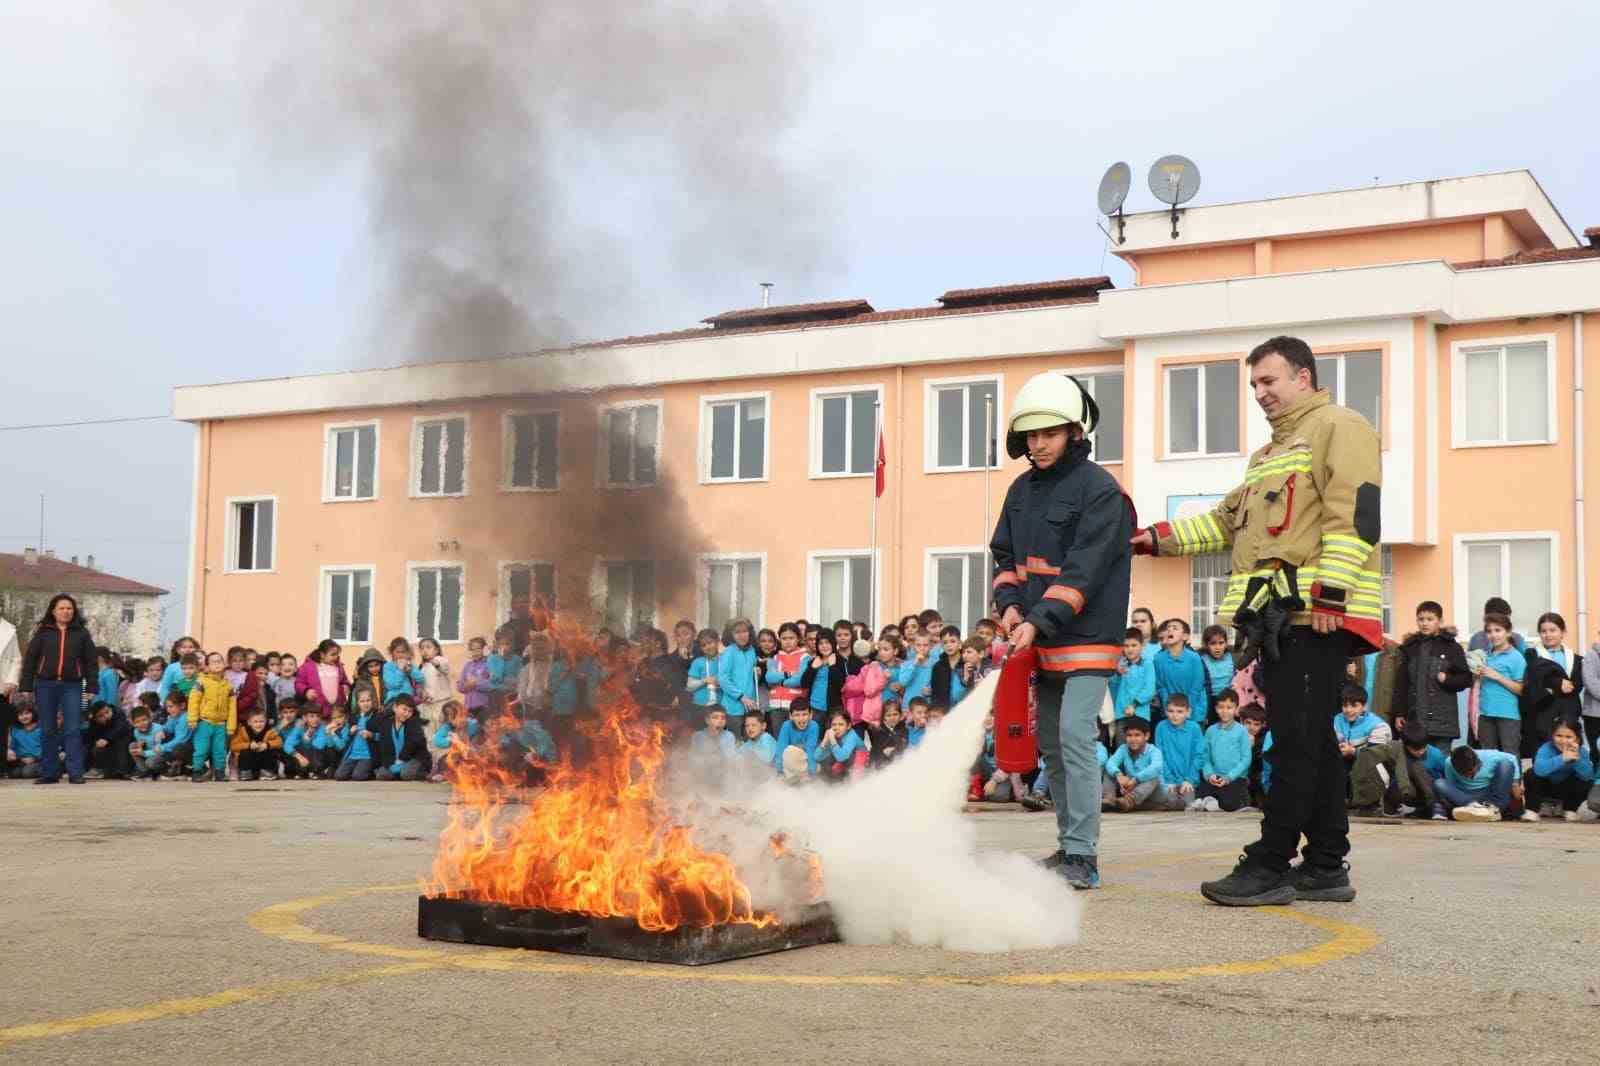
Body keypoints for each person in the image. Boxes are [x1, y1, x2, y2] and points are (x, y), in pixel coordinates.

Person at [1135, 335, 1384, 906]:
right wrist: (1153, 539)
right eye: (1253, 385)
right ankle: (1324, 866)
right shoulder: (1267, 457)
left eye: (1269, 381)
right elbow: (1225, 525)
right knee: (1312, 742)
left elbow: (1356, 512)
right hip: (1279, 619)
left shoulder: (1340, 426)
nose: (1259, 394)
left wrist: (1331, 597)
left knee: (1294, 744)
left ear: (1304, 377)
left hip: (1314, 615)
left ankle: (1271, 863)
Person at [991, 371, 1134, 891]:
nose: (1038, 444)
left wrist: (1035, 620)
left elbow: (1084, 570)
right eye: (1030, 435)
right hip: (1039, 634)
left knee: (1075, 735)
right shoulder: (1020, 490)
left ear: (1075, 430)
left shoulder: (1101, 491)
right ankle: (1067, 845)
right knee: (1051, 742)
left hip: (1088, 635)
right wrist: (1008, 606)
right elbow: (1005, 557)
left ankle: (1084, 856)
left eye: (1048, 433)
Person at [18, 593, 100, 785]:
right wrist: (26, 686)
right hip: (45, 685)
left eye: (69, 608)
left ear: (74, 611)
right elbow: (30, 659)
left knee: (73, 729)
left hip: (72, 685)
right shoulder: (43, 632)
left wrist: (92, 685)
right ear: (53, 611)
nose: (66, 611)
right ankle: (49, 773)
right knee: (48, 729)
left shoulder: (82, 633)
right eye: (62, 608)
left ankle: (75, 773)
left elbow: (91, 662)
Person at [1393, 601, 1472, 753]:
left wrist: (1448, 679)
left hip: (1442, 721)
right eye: (1421, 619)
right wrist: (1399, 713)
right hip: (1414, 719)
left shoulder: (1451, 647)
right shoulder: (1410, 648)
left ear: (1440, 621)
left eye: (1430, 619)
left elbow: (1466, 678)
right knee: (1414, 765)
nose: (1425, 623)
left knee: (1440, 764)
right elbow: (1401, 684)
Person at [1348, 720, 1444, 818]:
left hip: (1367, 783)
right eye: (1416, 749)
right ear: (1406, 745)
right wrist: (1407, 794)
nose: (1420, 752)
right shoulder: (1399, 749)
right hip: (1372, 779)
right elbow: (1401, 773)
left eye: (1423, 748)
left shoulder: (1435, 754)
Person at [1524, 613, 1581, 752]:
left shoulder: (1576, 658)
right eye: (1543, 631)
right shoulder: (1531, 654)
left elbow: (1577, 683)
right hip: (1542, 711)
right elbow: (1533, 679)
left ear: (1562, 632)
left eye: (1552, 630)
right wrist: (1557, 685)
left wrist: (1566, 686)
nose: (1548, 635)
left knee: (1568, 752)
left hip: (1568, 711)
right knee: (1542, 751)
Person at [1473, 612, 1525, 755]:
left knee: (1510, 756)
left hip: (1508, 715)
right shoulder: (1485, 655)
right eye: (1489, 631)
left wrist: (1497, 676)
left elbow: (1521, 690)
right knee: (1488, 756)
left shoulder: (1516, 657)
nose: (1493, 635)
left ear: (1508, 632)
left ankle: (1514, 779)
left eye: (1498, 630)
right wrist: (1476, 676)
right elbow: (1479, 684)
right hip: (1485, 714)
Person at [1435, 745, 1528, 823]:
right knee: (1439, 783)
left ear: (1478, 762)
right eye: (1465, 775)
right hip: (1465, 796)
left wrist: (1515, 784)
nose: (1469, 777)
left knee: (1506, 765)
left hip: (1489, 795)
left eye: (1472, 773)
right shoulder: (1448, 763)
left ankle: (1493, 809)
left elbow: (1512, 758)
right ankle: (1473, 806)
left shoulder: (1491, 756)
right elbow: (1452, 786)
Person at [1195, 689, 1252, 812]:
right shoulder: (1210, 731)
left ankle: (1240, 801)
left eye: (1229, 707)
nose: (1225, 711)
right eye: (1221, 707)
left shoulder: (1241, 731)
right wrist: (1210, 775)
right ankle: (1211, 801)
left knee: (1229, 803)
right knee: (1200, 794)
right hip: (1216, 777)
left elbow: (1246, 759)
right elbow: (1206, 757)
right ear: (1216, 708)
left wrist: (1229, 777)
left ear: (1236, 709)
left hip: (1235, 778)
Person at [1527, 720, 1593, 820]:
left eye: (1568, 737)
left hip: (1566, 790)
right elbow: (1539, 770)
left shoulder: (1582, 751)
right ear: (1552, 736)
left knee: (1583, 780)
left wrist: (1576, 759)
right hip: (1547, 787)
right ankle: (1532, 809)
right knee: (1530, 774)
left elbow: (1588, 776)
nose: (1563, 740)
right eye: (1559, 736)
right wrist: (1562, 758)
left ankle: (1570, 809)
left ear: (1577, 739)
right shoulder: (1546, 748)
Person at [187, 651, 238, 782]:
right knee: (201, 750)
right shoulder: (201, 682)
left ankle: (220, 772)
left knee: (220, 750)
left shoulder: (228, 685)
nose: (217, 664)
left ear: (224, 664)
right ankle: (197, 771)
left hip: (221, 724)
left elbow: (232, 707)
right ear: (207, 666)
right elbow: (193, 701)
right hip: (204, 722)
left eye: (219, 661)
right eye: (213, 662)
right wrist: (192, 719)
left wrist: (231, 726)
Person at [1333, 684, 1391, 790]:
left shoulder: (1378, 726)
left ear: (1364, 706)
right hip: (1344, 763)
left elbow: (1376, 756)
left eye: (1354, 705)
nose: (1348, 710)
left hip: (1370, 766)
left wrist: (1353, 752)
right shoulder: (1337, 719)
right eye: (1345, 705)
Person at [1101, 719, 1167, 812]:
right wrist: (1118, 775)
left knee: (1154, 776)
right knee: (1110, 771)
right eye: (1129, 735)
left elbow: (1156, 768)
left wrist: (1135, 780)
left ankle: (1129, 801)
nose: (1133, 739)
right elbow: (1111, 762)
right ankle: (1109, 799)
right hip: (1133, 791)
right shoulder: (1123, 748)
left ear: (1146, 736)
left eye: (1137, 735)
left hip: (1155, 794)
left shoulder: (1154, 751)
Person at [1152, 619, 1209, 726]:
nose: (1169, 630)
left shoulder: (1194, 658)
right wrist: (1168, 707)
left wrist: (1186, 709)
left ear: (1185, 637)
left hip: (1193, 713)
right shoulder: (1158, 659)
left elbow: (1197, 687)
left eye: (1175, 628)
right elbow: (1160, 687)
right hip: (1171, 713)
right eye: (1168, 628)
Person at [1154, 693, 1204, 808]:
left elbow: (1199, 756)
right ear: (1165, 711)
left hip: (1188, 780)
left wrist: (1189, 779)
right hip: (1168, 780)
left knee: (1187, 803)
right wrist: (1169, 780)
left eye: (1180, 711)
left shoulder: (1194, 728)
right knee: (1171, 803)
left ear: (1188, 712)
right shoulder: (1161, 727)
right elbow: (1160, 756)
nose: (1174, 715)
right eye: (1171, 711)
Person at [1109, 627, 1156, 741]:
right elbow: (1112, 689)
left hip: (1140, 714)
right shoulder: (1120, 665)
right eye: (1126, 646)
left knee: (1139, 750)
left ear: (1142, 645)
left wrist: (1134, 704)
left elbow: (1149, 689)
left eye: (1134, 645)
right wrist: (1118, 674)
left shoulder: (1147, 664)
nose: (1130, 649)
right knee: (1121, 748)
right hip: (1121, 714)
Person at [716, 619, 759, 737]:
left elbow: (749, 675)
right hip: (733, 707)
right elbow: (723, 679)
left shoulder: (752, 651)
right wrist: (741, 697)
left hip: (750, 706)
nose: (742, 635)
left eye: (745, 631)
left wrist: (757, 671)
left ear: (750, 633)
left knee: (748, 741)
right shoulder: (729, 652)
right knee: (734, 742)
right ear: (731, 635)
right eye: (737, 632)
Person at [374, 695, 431, 781]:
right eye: (404, 709)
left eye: (410, 711)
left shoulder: (413, 723)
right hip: (396, 760)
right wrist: (389, 763)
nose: (407, 713)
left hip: (413, 758)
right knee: (381, 774)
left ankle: (423, 773)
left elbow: (412, 744)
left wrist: (401, 759)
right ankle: (399, 773)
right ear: (395, 708)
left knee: (406, 774)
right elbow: (384, 746)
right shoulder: (387, 724)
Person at [335, 685, 381, 781]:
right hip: (353, 755)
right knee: (339, 776)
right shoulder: (353, 718)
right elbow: (346, 738)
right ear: (357, 703)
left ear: (373, 701)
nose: (365, 704)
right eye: (362, 701)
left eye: (368, 700)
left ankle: (372, 771)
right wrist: (350, 732)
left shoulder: (377, 717)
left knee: (358, 776)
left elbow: (383, 737)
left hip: (367, 755)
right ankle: (357, 769)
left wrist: (371, 735)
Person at [230, 708, 284, 781]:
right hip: (250, 762)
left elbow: (279, 742)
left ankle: (266, 771)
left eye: (261, 721)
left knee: (271, 750)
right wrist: (248, 745)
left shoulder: (269, 731)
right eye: (255, 722)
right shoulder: (243, 731)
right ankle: (246, 772)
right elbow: (233, 746)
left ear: (265, 722)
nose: (259, 724)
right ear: (249, 722)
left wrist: (267, 744)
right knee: (245, 752)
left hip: (263, 761)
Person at [815, 709, 867, 782]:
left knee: (855, 777)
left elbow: (842, 757)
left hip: (861, 759)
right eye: (834, 725)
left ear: (848, 726)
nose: (837, 728)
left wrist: (832, 740)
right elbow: (817, 757)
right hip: (846, 759)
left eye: (841, 724)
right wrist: (824, 741)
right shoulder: (833, 736)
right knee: (833, 770)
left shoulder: (852, 735)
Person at [773, 700, 820, 774]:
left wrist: (812, 773)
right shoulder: (786, 726)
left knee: (818, 767)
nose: (801, 718)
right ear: (791, 716)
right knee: (790, 753)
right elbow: (781, 748)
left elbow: (810, 749)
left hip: (807, 759)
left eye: (804, 714)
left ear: (811, 715)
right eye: (797, 715)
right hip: (790, 760)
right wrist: (780, 772)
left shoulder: (814, 726)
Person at [282, 706, 328, 780]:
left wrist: (309, 737)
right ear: (305, 718)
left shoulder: (322, 728)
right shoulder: (299, 728)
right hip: (304, 758)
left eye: (318, 716)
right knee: (296, 747)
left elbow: (320, 746)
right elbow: (287, 745)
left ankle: (318, 772)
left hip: (318, 757)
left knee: (315, 749)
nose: (315, 719)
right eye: (311, 716)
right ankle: (302, 772)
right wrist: (299, 757)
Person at [1241, 703, 1273, 808]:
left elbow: (1261, 765)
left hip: (1257, 778)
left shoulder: (1264, 739)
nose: (1251, 727)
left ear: (1263, 724)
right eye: (1248, 723)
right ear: (1241, 721)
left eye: (1256, 724)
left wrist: (1252, 748)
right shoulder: (1235, 735)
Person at [1199, 625, 1236, 719]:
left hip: (1229, 700)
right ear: (1206, 644)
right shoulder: (1201, 658)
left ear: (1226, 643)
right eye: (1213, 643)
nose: (1217, 647)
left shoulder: (1233, 656)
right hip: (1210, 701)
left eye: (1221, 643)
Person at [456, 637, 493, 722]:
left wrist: (476, 684)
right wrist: (464, 685)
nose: (475, 653)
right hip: (468, 707)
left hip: (484, 707)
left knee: (484, 732)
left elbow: (493, 684)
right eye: (472, 650)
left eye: (478, 649)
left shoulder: (489, 664)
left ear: (484, 649)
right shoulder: (467, 665)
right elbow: (460, 686)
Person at [5, 702, 43, 777]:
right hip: (21, 760)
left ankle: (54, 770)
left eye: (27, 713)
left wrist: (35, 758)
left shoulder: (40, 728)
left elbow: (46, 746)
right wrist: (11, 753)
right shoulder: (14, 730)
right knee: (14, 774)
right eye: (20, 715)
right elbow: (12, 747)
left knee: (27, 773)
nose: (24, 717)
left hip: (38, 760)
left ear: (33, 713)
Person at [867, 701, 907, 768]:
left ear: (900, 716)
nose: (892, 718)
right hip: (882, 767)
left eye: (895, 714)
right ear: (884, 718)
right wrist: (883, 753)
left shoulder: (904, 730)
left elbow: (904, 747)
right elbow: (874, 753)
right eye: (888, 715)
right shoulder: (879, 732)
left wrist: (893, 750)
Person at [127, 704, 163, 779]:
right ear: (133, 724)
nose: (141, 724)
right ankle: (144, 771)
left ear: (150, 718)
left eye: (144, 720)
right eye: (137, 722)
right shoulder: (136, 731)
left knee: (150, 762)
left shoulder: (157, 729)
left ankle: (160, 771)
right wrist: (140, 746)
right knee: (132, 745)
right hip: (148, 753)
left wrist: (144, 753)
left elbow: (160, 749)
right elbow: (142, 745)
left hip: (159, 754)